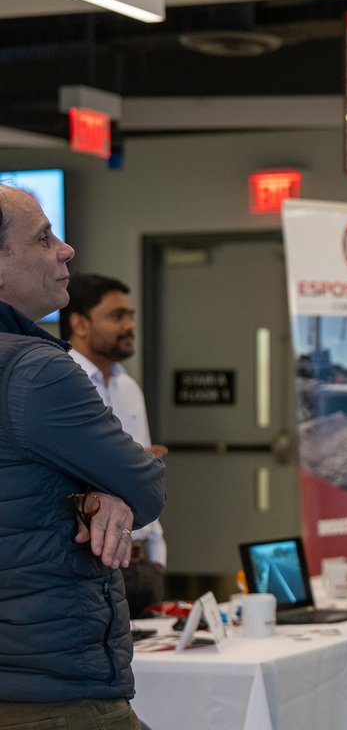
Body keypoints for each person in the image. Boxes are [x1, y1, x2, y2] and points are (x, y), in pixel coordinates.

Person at [0, 185, 165, 728]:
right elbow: (145, 485)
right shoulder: (35, 371)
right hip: (49, 686)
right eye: (44, 238)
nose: (66, 249)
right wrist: (110, 486)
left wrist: (91, 488)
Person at [61, 273, 170, 619]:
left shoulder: (129, 387)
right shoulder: (62, 381)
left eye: (131, 316)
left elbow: (143, 478)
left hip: (143, 567)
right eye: (117, 316)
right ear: (79, 323)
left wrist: (157, 556)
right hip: (93, 564)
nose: (129, 325)